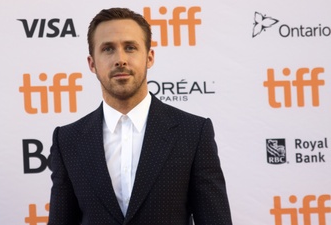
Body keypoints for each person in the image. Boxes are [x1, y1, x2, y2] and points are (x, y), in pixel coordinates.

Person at [48, 7, 232, 225]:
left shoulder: (192, 133)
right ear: (92, 63)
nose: (120, 60)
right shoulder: (68, 140)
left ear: (150, 57)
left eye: (130, 47)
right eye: (108, 49)